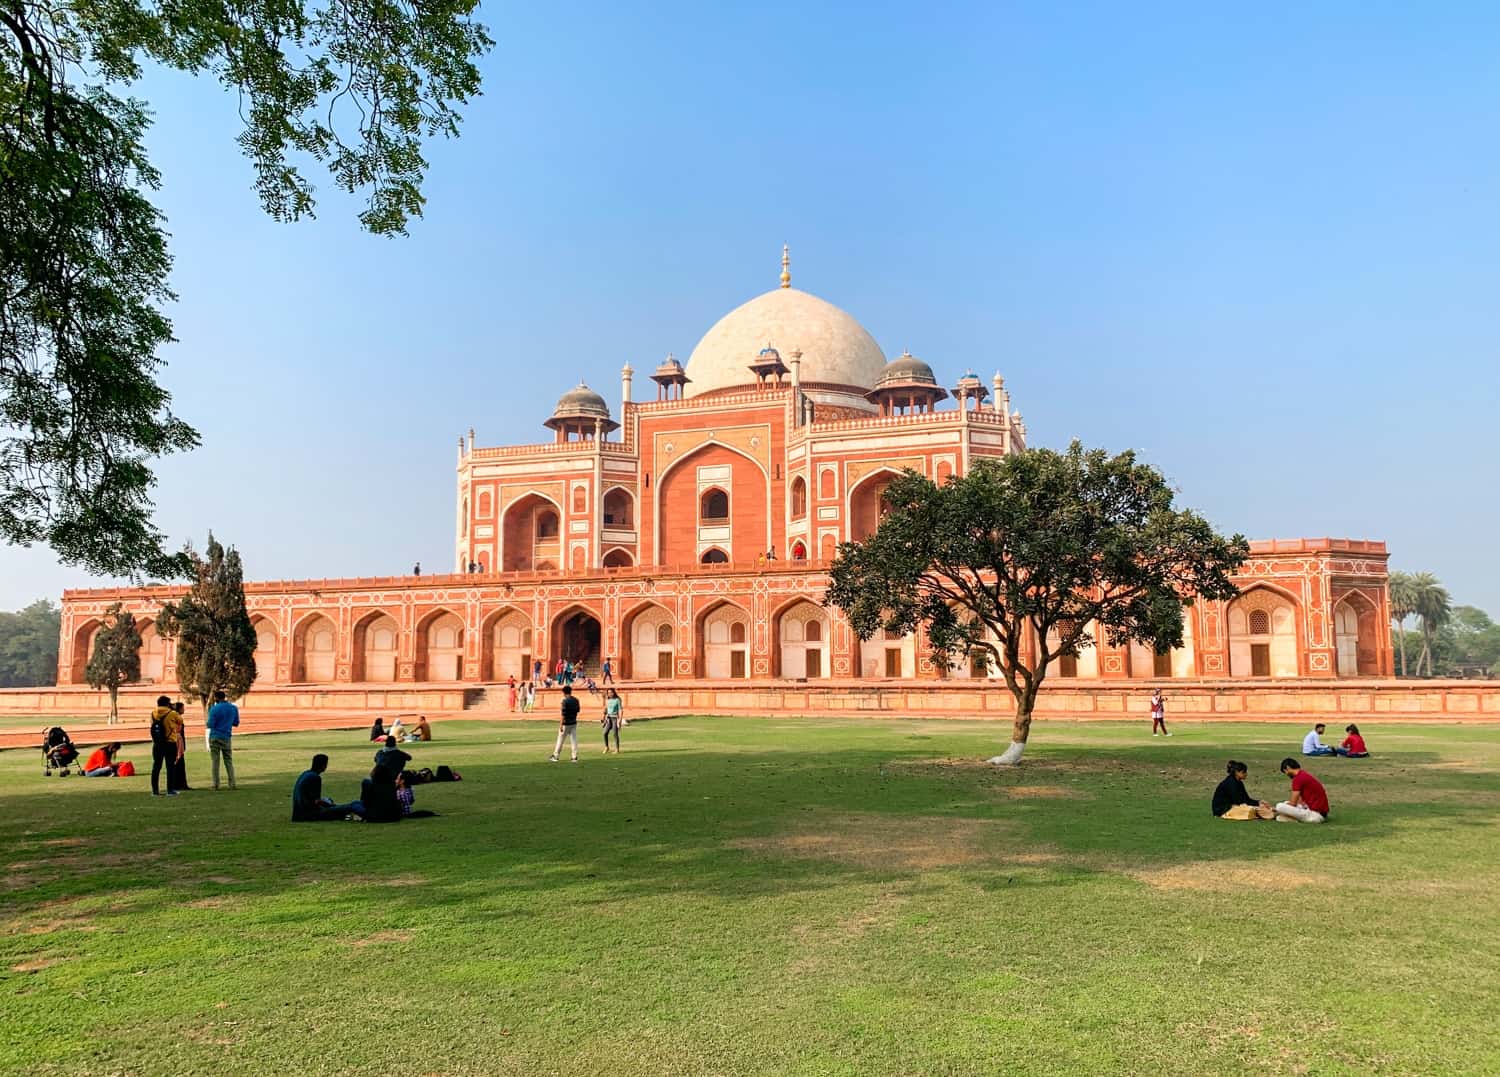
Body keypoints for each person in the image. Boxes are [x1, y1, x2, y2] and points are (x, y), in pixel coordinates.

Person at [291, 754, 354, 821]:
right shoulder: (315, 778)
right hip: (309, 815)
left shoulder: (305, 773)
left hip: (298, 813)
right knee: (351, 806)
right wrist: (333, 806)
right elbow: (317, 801)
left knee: (328, 800)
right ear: (324, 766)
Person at [1275, 758, 1330, 823]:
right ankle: (1293, 819)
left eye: (1285, 771)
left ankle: (1293, 818)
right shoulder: (1303, 774)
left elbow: (1293, 803)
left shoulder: (1297, 778)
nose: (1286, 774)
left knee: (1279, 806)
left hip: (1315, 815)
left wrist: (1275, 809)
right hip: (1319, 813)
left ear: (1288, 767)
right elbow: (1300, 802)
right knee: (1281, 813)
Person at [149, 695, 183, 797]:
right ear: (168, 703)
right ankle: (170, 790)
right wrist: (173, 709)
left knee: (156, 767)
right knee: (170, 767)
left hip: (157, 743)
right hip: (170, 742)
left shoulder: (153, 712)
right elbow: (180, 720)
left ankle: (155, 790)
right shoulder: (172, 713)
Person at [206, 690, 240, 790]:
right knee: (228, 760)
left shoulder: (214, 709)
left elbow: (210, 724)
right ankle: (232, 783)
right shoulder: (233, 708)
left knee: (215, 761)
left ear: (216, 698)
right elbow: (236, 723)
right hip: (226, 736)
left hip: (215, 736)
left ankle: (215, 784)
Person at [550, 684, 581, 762]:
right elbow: (578, 710)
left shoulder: (564, 701)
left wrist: (561, 724)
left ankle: (556, 756)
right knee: (574, 740)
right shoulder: (576, 700)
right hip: (573, 722)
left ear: (564, 693)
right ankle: (574, 757)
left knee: (560, 740)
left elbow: (563, 714)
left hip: (566, 723)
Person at [169, 701, 192, 790]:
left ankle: (180, 784)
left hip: (178, 742)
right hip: (177, 742)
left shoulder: (174, 718)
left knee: (178, 764)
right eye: (182, 708)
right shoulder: (176, 719)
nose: (184, 709)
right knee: (178, 763)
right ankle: (179, 784)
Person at [602, 688, 624, 754]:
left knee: (615, 734)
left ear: (614, 693)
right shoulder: (607, 700)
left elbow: (620, 710)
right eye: (608, 693)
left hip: (615, 718)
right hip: (609, 719)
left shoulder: (617, 700)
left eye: (611, 692)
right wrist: (604, 719)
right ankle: (606, 747)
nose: (610, 694)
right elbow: (605, 710)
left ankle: (617, 749)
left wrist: (619, 720)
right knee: (605, 733)